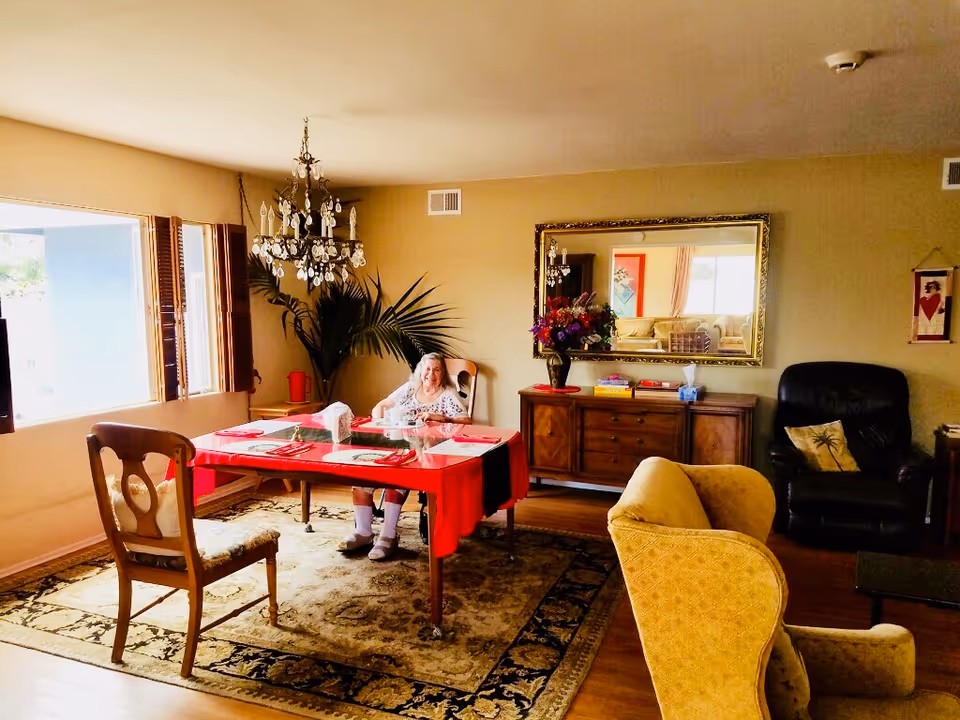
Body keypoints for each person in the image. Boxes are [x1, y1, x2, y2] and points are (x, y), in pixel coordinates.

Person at [338, 352, 470, 560]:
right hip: (393, 446)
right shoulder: (410, 388)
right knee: (361, 478)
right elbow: (381, 406)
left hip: (426, 453)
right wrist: (380, 425)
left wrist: (440, 417)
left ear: (443, 374)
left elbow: (466, 421)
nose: (431, 374)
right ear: (420, 371)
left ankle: (388, 536)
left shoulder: (447, 394)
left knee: (395, 480)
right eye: (427, 369)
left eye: (436, 370)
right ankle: (363, 532)